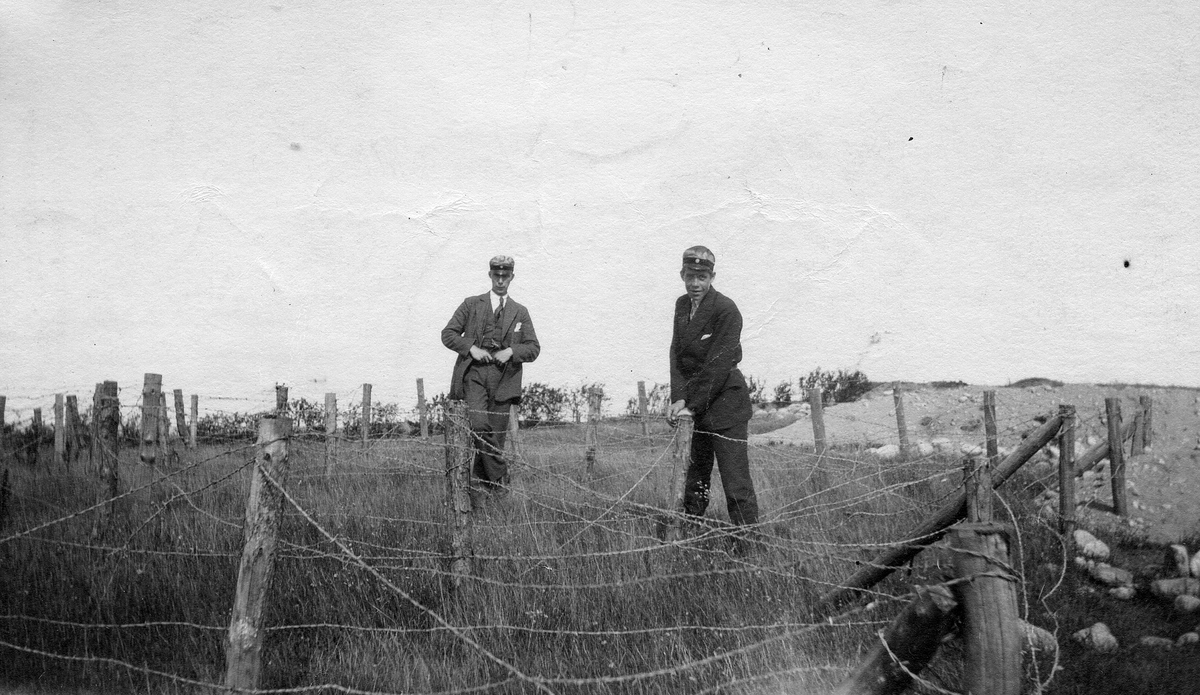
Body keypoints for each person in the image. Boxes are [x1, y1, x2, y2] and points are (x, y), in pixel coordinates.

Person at [667, 246, 759, 528]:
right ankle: (693, 531)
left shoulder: (726, 309)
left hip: (725, 404)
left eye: (703, 277)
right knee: (695, 478)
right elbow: (677, 354)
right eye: (691, 276)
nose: (696, 284)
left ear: (712, 277)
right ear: (682, 274)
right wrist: (678, 398)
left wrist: (689, 406)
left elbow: (717, 367)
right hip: (696, 405)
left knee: (735, 483)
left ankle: (747, 542)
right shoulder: (682, 305)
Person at [441, 255, 540, 491]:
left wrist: (512, 351)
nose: (501, 281)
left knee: (495, 438)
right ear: (490, 275)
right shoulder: (472, 304)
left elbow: (533, 348)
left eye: (505, 276)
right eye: (497, 275)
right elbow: (448, 334)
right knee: (479, 426)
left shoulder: (520, 311)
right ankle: (502, 477)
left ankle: (485, 496)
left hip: (504, 379)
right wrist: (471, 348)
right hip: (474, 375)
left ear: (512, 277)